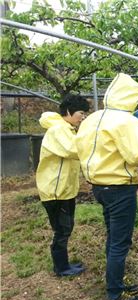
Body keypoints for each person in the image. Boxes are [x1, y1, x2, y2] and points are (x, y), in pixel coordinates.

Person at [75, 73, 138, 300]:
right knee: (120, 242)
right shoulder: (127, 122)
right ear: (130, 98)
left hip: (98, 187)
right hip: (120, 189)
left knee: (113, 237)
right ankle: (115, 295)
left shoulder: (92, 119)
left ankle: (115, 281)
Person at [36, 94, 90, 277]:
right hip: (55, 191)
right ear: (68, 111)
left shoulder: (67, 129)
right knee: (62, 229)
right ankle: (61, 268)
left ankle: (63, 264)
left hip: (64, 190)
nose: (82, 117)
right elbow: (72, 150)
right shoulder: (58, 130)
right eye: (80, 113)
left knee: (65, 228)